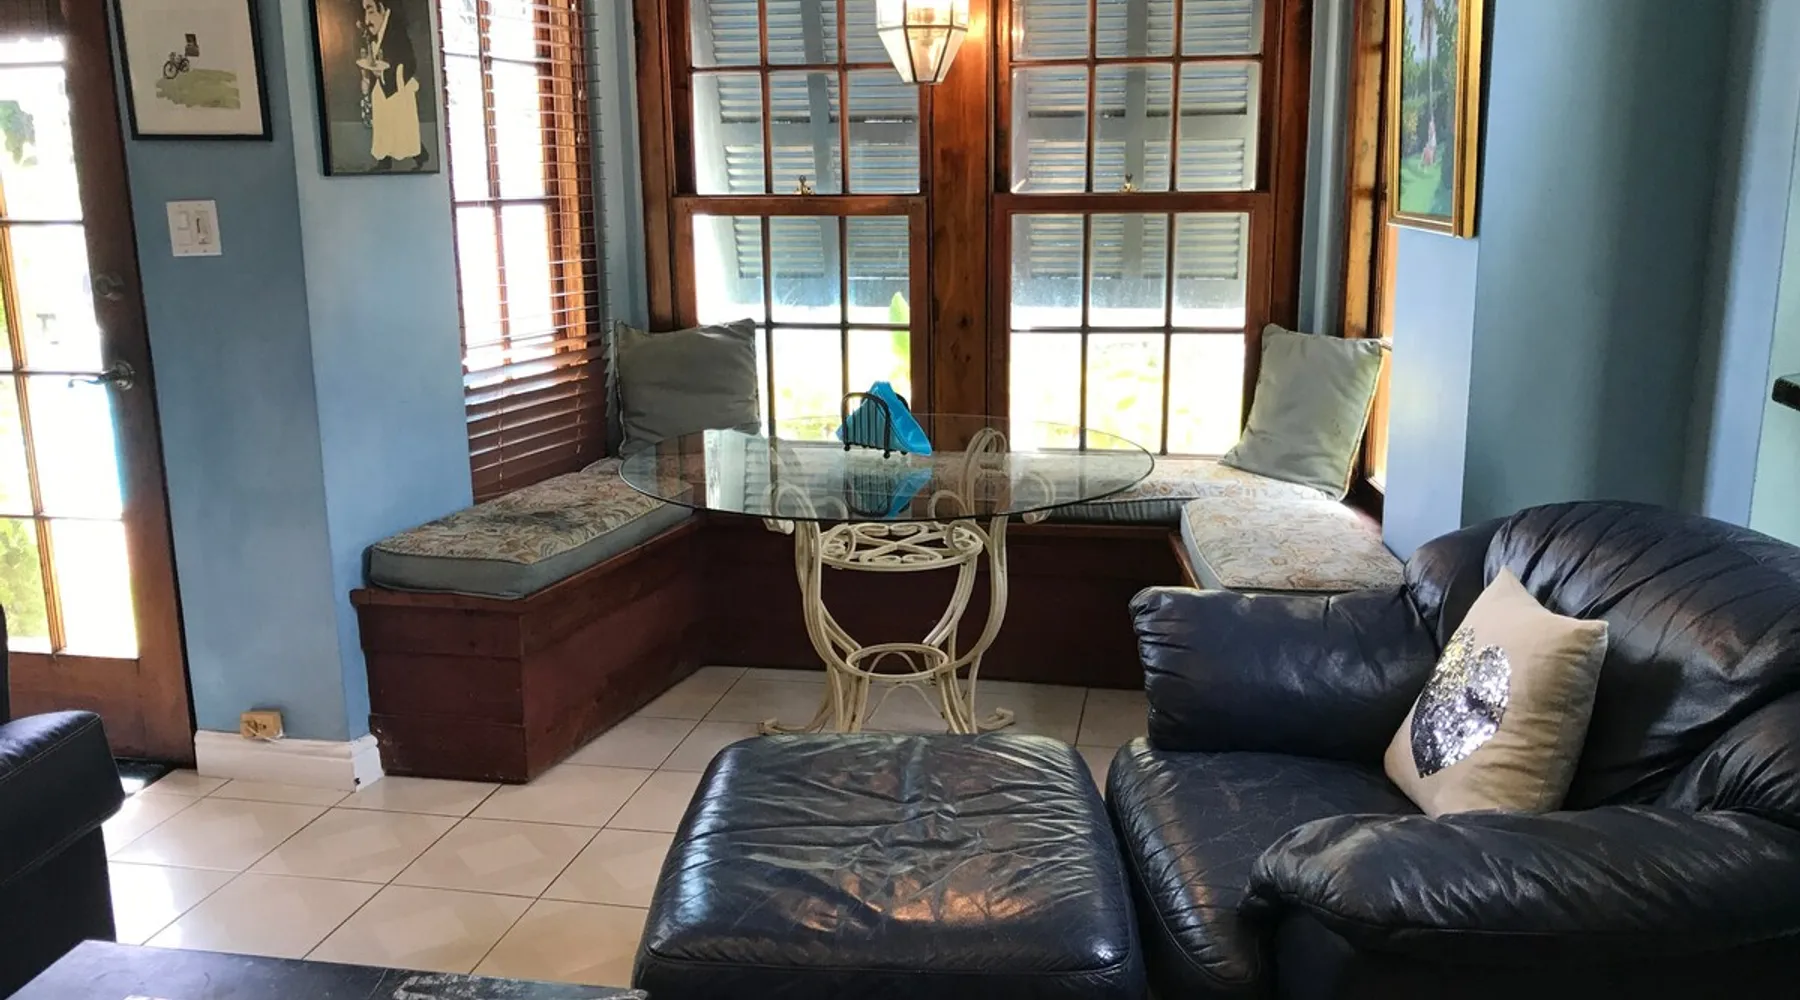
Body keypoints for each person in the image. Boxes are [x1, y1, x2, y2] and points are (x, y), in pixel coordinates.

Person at [359, 0, 425, 169]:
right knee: (383, 124)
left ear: (381, 8)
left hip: (397, 87)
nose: (367, 20)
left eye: (370, 11)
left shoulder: (396, 31)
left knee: (402, 126)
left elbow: (409, 62)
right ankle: (384, 160)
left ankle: (420, 156)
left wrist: (386, 74)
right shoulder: (378, 30)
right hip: (382, 86)